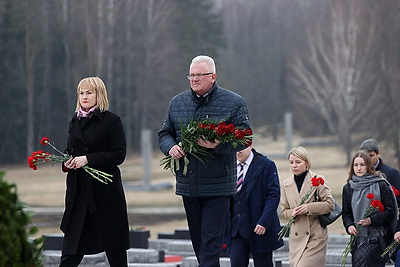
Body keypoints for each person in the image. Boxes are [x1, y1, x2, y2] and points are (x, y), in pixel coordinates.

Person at [158, 55, 251, 266]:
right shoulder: (177, 102)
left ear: (213, 76)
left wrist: (217, 145)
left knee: (211, 244)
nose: (194, 79)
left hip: (218, 186)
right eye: (191, 75)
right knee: (199, 243)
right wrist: (170, 147)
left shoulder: (234, 102)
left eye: (200, 75)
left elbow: (244, 138)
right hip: (188, 184)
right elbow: (165, 133)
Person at [59, 77, 130, 267]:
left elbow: (118, 155)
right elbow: (70, 151)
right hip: (79, 194)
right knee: (70, 250)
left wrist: (88, 159)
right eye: (81, 93)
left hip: (105, 195)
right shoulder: (74, 121)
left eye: (89, 92)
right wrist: (67, 162)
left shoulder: (112, 121)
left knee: (115, 250)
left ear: (99, 95)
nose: (84, 96)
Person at [229, 144, 283, 267]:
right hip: (236, 229)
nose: (237, 152)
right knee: (236, 263)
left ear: (250, 145)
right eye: (234, 148)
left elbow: (273, 195)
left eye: (240, 148)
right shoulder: (230, 165)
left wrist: (264, 221)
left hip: (259, 228)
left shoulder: (266, 165)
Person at [280, 146, 334, 267]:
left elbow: (330, 205)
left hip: (315, 236)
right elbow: (283, 211)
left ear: (307, 163)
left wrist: (309, 208)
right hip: (296, 238)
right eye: (291, 162)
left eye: (298, 162)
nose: (294, 165)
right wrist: (292, 213)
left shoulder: (318, 180)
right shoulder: (286, 184)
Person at [342, 151, 397, 267]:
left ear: (368, 166)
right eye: (356, 165)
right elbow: (346, 214)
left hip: (378, 237)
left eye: (362, 165)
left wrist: (371, 219)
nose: (359, 168)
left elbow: (390, 210)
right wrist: (349, 226)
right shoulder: (348, 188)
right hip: (358, 239)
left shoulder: (380, 184)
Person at [360, 138, 400, 206]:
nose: (368, 159)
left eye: (371, 155)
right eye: (365, 156)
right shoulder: (358, 173)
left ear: (378, 154)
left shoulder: (392, 173)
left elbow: (398, 199)